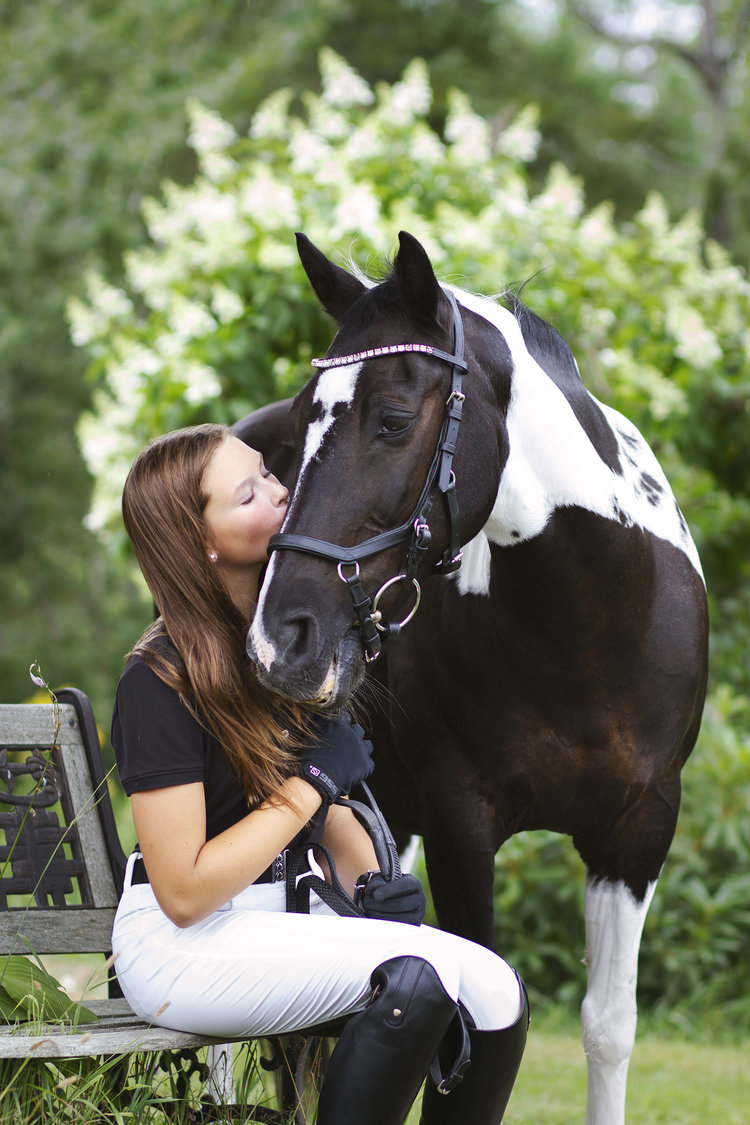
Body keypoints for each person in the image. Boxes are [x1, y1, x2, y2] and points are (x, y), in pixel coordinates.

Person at [111, 422, 528, 1125]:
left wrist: (371, 887)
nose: (280, 493)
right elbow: (183, 891)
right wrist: (310, 782)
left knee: (496, 992)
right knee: (415, 983)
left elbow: (329, 818)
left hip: (283, 922)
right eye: (249, 494)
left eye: (270, 475)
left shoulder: (281, 647)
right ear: (200, 540)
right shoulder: (159, 678)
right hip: (179, 947)